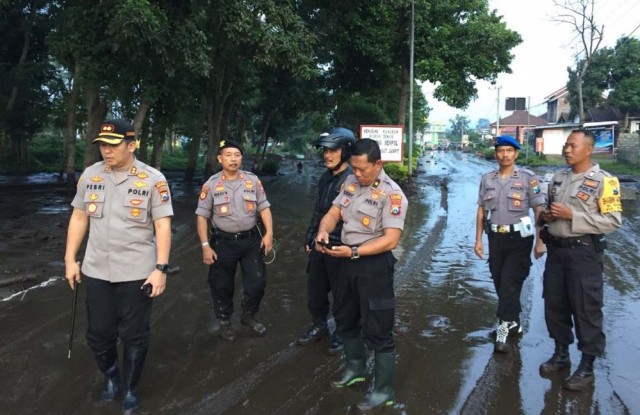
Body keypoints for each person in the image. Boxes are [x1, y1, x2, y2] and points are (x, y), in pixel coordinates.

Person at [64, 119, 173, 414]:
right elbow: (78, 218)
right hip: (96, 269)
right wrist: (70, 259)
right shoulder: (91, 175)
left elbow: (163, 226)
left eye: (112, 145)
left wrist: (160, 268)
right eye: (102, 145)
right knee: (98, 334)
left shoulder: (153, 179)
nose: (106, 151)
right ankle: (111, 377)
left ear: (131, 145)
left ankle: (131, 388)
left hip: (137, 271)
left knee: (135, 334)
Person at [315, 138, 408, 411]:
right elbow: (333, 213)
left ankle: (384, 390)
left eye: (362, 169)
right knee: (344, 316)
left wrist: (355, 252)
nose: (356, 173)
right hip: (346, 260)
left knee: (378, 326)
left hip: (373, 265)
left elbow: (391, 240)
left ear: (378, 164)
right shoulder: (350, 184)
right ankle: (356, 367)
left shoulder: (392, 195)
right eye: (353, 168)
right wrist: (323, 230)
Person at [538, 129, 622, 391]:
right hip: (557, 252)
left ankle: (587, 367)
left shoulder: (605, 182)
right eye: (566, 145)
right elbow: (546, 214)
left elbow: (612, 221)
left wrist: (572, 215)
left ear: (589, 150)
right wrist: (547, 218)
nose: (567, 150)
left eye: (573, 146)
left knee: (586, 308)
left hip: (584, 254)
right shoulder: (557, 179)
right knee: (555, 305)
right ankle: (561, 353)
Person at [196, 139, 274, 341]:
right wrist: (205, 246)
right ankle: (224, 320)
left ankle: (248, 315)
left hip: (250, 241)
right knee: (221, 284)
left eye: (237, 155)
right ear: (220, 158)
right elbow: (202, 216)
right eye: (228, 155)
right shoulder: (211, 185)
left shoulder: (252, 181)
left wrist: (269, 234)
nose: (233, 159)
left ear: (241, 158)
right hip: (223, 242)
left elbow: (264, 207)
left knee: (257, 281)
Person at [474, 135, 546, 353]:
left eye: (509, 151)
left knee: (509, 283)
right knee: (499, 281)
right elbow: (481, 210)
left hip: (519, 240)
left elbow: (539, 211)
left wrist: (540, 241)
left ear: (516, 153)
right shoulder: (487, 179)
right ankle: (514, 321)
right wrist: (478, 240)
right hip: (495, 238)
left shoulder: (528, 178)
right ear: (495, 154)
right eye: (500, 151)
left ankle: (503, 329)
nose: (504, 155)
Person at [297, 127, 355, 354]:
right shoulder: (325, 177)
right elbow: (319, 209)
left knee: (342, 292)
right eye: (325, 150)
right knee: (316, 288)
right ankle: (319, 325)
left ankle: (342, 330)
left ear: (346, 151)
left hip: (341, 244)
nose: (327, 155)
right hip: (320, 243)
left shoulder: (352, 179)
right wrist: (310, 235)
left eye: (333, 150)